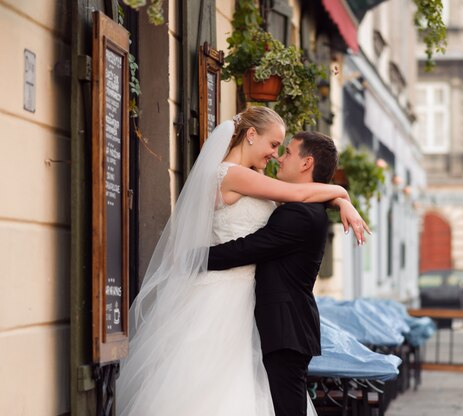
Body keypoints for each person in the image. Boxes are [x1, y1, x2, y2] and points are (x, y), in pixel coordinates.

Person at [116, 106, 367, 416]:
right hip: (222, 292)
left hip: (247, 298)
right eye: (274, 145)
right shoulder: (233, 175)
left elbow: (300, 196)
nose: (276, 155)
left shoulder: (254, 178)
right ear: (251, 135)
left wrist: (341, 199)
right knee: (212, 382)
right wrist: (342, 194)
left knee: (243, 384)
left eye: (282, 149)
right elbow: (298, 196)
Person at [206, 130, 362, 416]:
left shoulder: (300, 215)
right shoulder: (303, 207)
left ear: (306, 163)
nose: (280, 156)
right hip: (281, 326)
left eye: (288, 151)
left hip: (285, 329)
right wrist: (340, 198)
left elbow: (248, 248)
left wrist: (194, 259)